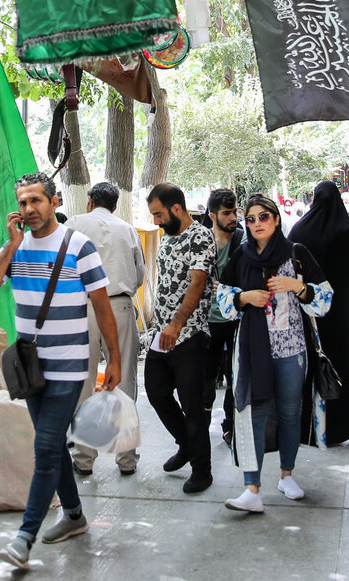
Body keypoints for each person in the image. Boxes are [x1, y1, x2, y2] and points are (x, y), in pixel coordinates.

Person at [0, 172, 122, 569]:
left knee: (44, 448)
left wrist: (115, 359)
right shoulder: (15, 248)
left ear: (55, 202)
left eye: (36, 201)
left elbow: (103, 308)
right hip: (30, 366)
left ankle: (24, 538)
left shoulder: (79, 246)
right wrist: (10, 245)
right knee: (51, 445)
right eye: (22, 202)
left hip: (70, 366)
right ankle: (74, 515)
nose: (29, 209)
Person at [215, 194, 333, 512]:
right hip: (253, 351)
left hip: (292, 349)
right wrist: (244, 298)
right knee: (254, 415)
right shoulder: (240, 257)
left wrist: (297, 287)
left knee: (289, 413)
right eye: (250, 219)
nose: (255, 224)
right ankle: (251, 488)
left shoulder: (297, 254)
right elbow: (223, 302)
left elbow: (325, 299)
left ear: (276, 219)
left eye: (263, 217)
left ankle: (287, 474)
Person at [67, 181, 146, 476]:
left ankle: (83, 460)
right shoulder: (127, 229)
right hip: (119, 307)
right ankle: (126, 460)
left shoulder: (74, 224)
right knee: (123, 383)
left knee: (83, 382)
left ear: (89, 201)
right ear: (114, 205)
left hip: (83, 309)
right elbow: (139, 275)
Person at [145, 182, 216, 494]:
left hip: (189, 334)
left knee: (192, 403)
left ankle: (203, 470)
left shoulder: (200, 236)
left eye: (159, 214)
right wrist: (163, 327)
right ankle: (186, 444)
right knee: (156, 391)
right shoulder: (168, 236)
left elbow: (197, 285)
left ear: (176, 208)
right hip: (163, 334)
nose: (155, 221)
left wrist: (176, 325)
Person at [288, 181, 349, 444]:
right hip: (342, 315)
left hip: (309, 315)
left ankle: (307, 427)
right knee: (342, 362)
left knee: (310, 364)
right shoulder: (345, 231)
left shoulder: (300, 229)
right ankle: (341, 425)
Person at [204, 188, 243, 446]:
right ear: (212, 215)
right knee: (206, 378)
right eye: (226, 213)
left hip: (237, 320)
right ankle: (200, 426)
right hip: (208, 322)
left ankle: (230, 425)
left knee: (235, 376)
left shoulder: (242, 240)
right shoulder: (202, 242)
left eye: (235, 211)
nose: (233, 217)